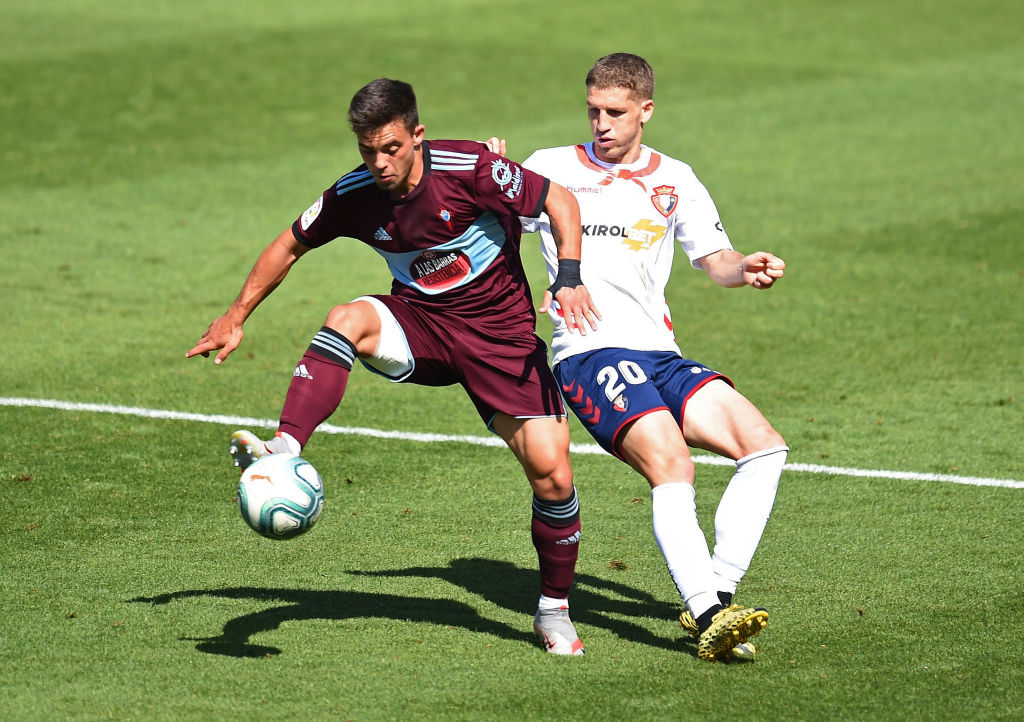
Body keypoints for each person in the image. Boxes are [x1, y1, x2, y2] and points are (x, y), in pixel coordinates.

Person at [186, 78, 601, 656]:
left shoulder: (471, 168)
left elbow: (561, 202)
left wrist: (570, 277)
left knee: (553, 476)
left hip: (500, 341)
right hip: (421, 325)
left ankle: (553, 610)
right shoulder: (355, 192)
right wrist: (235, 317)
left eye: (390, 148)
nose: (379, 163)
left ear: (417, 135)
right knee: (346, 318)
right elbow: (288, 245)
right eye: (367, 150)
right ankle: (285, 445)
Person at [496, 53, 788, 661]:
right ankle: (709, 615)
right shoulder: (550, 167)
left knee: (763, 447)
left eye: (615, 112)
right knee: (672, 464)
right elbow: (492, 222)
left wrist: (746, 268)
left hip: (660, 353)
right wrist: (490, 174)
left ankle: (716, 588)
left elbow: (715, 260)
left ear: (646, 110)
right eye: (593, 111)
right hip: (590, 351)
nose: (601, 124)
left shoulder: (675, 178)